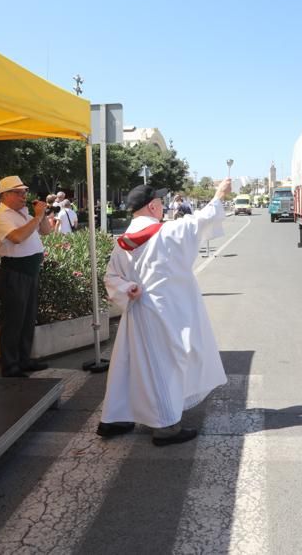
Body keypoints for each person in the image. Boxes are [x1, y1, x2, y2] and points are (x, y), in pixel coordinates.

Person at [98, 178, 232, 446]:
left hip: (137, 312)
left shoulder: (123, 241)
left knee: (129, 366)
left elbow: (110, 276)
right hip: (167, 312)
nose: (162, 206)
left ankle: (115, 418)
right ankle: (166, 427)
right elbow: (203, 221)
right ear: (153, 206)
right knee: (166, 366)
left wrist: (127, 287)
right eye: (159, 202)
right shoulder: (168, 231)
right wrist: (218, 194)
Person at [0, 176, 52, 376]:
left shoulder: (23, 213)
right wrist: (36, 218)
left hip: (29, 271)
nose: (23, 196)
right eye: (18, 192)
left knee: (27, 319)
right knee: (13, 321)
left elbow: (47, 231)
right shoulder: (0, 216)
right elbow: (17, 238)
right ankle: (10, 365)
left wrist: (40, 216)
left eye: (24, 192)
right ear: (5, 195)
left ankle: (24, 359)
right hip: (14, 272)